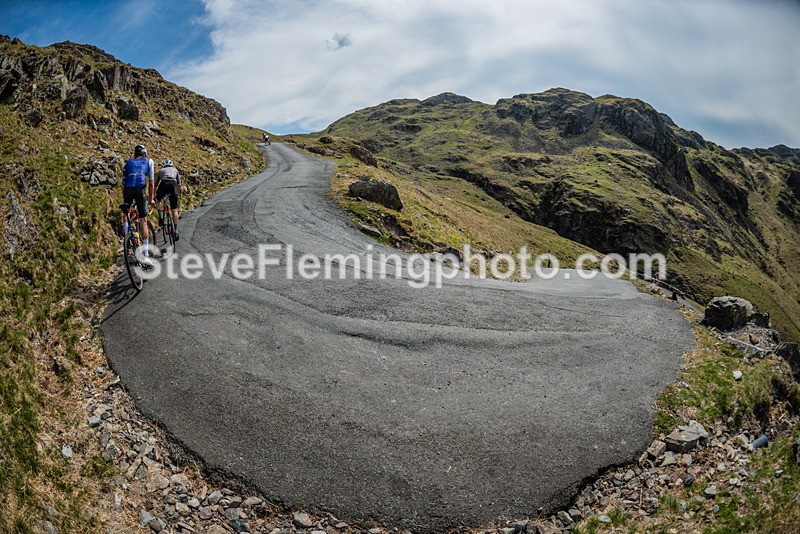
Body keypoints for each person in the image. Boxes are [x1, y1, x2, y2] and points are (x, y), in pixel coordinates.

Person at [122, 144, 155, 264]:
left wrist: (126, 201)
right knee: (143, 220)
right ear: (145, 154)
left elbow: (123, 185)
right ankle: (145, 255)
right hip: (140, 189)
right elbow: (151, 183)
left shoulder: (127, 163)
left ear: (134, 154)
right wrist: (151, 199)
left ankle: (126, 235)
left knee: (127, 211)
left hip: (128, 189)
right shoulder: (149, 161)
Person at [155, 159, 181, 240]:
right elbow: (179, 184)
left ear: (164, 165)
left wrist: (155, 195)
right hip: (173, 184)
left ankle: (160, 218)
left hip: (164, 183)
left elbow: (155, 185)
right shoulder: (175, 170)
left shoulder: (161, 170)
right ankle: (176, 230)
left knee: (158, 200)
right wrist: (177, 193)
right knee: (174, 210)